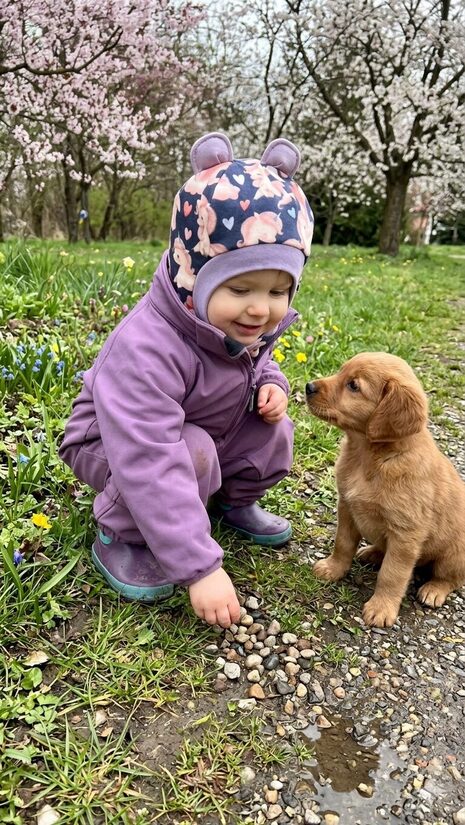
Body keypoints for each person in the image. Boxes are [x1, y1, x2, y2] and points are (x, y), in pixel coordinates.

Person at [59, 132, 314, 628]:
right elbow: (147, 454)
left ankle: (228, 503)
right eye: (239, 287)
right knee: (186, 450)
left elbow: (255, 359)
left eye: (279, 289)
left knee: (272, 427)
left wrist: (271, 381)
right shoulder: (148, 345)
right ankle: (125, 533)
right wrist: (199, 567)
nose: (261, 309)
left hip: (200, 427)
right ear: (193, 277)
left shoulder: (238, 322)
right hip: (115, 442)